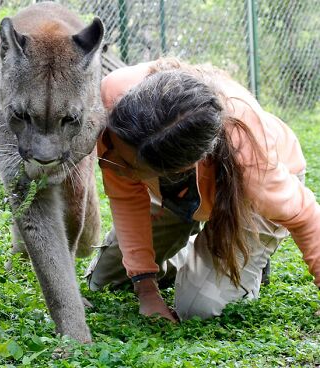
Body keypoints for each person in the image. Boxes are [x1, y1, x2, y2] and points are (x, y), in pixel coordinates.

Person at [86, 57, 320, 322]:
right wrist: (146, 289)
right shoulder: (114, 99)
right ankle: (201, 253)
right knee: (106, 280)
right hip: (175, 194)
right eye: (112, 149)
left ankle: (241, 259)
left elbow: (304, 215)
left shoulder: (249, 157)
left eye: (127, 164)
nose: (110, 162)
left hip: (254, 192)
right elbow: (128, 196)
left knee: (197, 308)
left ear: (177, 170)